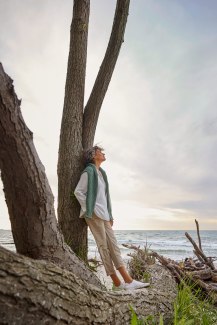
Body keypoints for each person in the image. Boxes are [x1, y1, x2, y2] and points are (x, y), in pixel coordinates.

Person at [74, 145, 150, 290]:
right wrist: (91, 208)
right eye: (100, 152)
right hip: (95, 215)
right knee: (104, 247)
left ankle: (128, 281)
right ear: (94, 155)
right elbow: (78, 192)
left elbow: (105, 197)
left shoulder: (101, 173)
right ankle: (118, 283)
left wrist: (109, 214)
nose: (103, 153)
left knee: (113, 247)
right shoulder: (88, 172)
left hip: (104, 215)